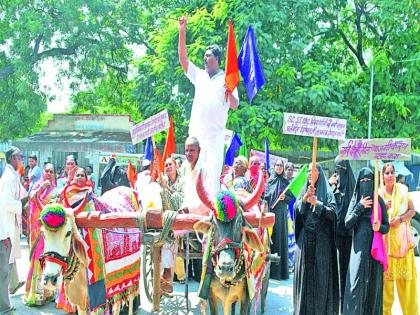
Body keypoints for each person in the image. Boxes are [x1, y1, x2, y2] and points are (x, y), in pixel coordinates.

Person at [178, 16, 239, 197]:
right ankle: (189, 209)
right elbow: (183, 58)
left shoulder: (227, 79)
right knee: (193, 173)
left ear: (218, 59)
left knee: (211, 176)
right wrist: (182, 31)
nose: (205, 58)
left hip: (214, 137)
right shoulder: (199, 75)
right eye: (204, 56)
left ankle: (210, 215)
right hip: (196, 134)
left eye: (209, 56)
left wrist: (229, 93)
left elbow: (235, 105)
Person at [293, 164, 339, 315]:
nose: (309, 173)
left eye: (313, 170)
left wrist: (317, 204)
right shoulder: (304, 190)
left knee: (320, 279)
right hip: (305, 241)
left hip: (321, 242)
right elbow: (297, 212)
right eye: (307, 171)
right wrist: (305, 200)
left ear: (319, 173)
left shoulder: (328, 192)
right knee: (305, 279)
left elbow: (333, 214)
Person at [343, 168, 389, 314]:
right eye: (362, 181)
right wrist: (359, 207)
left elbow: (387, 227)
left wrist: (379, 227)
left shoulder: (379, 201)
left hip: (374, 253)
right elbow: (347, 223)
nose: (365, 183)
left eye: (368, 181)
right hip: (359, 250)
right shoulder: (356, 199)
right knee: (356, 284)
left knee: (372, 287)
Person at [379, 163, 418, 315]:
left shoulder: (403, 190)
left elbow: (412, 211)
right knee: (386, 292)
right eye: (387, 173)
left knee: (407, 288)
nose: (390, 175)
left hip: (402, 247)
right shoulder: (379, 195)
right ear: (382, 176)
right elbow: (374, 220)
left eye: (392, 172)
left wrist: (401, 219)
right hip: (386, 248)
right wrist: (384, 208)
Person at [24, 163, 58, 306]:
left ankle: (47, 293)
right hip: (37, 231)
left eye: (51, 171)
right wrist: (42, 186)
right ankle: (34, 294)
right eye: (47, 171)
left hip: (49, 231)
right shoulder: (38, 185)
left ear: (54, 174)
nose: (49, 174)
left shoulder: (56, 190)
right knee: (37, 259)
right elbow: (31, 197)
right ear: (43, 173)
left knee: (48, 260)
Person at [0, 146, 26, 315]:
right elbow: (7, 202)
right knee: (3, 271)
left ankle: (13, 286)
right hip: (4, 229)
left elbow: (22, 195)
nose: (21, 160)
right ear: (11, 158)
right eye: (19, 157)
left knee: (8, 265)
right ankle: (4, 306)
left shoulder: (13, 175)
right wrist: (22, 204)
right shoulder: (8, 178)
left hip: (8, 228)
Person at [328, 158, 355, 310]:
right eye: (337, 170)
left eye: (342, 170)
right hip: (335, 236)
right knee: (336, 271)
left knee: (348, 271)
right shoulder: (333, 189)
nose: (339, 174)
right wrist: (331, 185)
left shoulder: (354, 189)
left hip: (350, 237)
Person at [159, 157, 185, 294]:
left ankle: (167, 274)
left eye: (170, 164)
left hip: (179, 219)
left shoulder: (183, 181)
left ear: (176, 167)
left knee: (169, 241)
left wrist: (167, 188)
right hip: (163, 220)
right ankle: (162, 275)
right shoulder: (161, 180)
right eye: (166, 165)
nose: (168, 166)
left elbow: (182, 200)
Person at [264, 159, 293, 280]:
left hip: (281, 216)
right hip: (270, 215)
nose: (280, 167)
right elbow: (265, 197)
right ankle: (269, 271)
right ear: (274, 167)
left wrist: (285, 196)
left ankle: (280, 272)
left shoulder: (286, 182)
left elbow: (291, 199)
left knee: (280, 241)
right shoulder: (270, 181)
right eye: (278, 165)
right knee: (270, 241)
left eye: (281, 166)